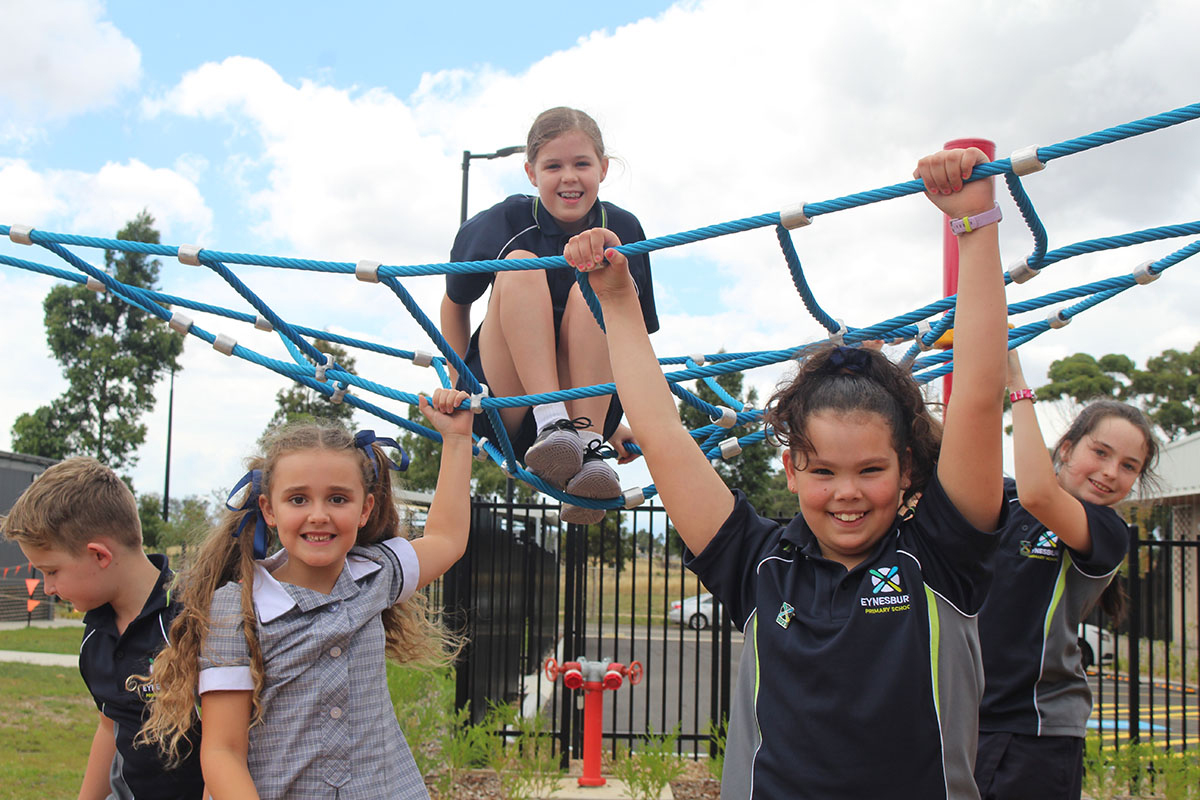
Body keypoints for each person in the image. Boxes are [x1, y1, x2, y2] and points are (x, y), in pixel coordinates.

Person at [566, 148, 1009, 799]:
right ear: (791, 469)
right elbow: (659, 433)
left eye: (871, 469)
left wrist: (975, 227)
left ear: (908, 467)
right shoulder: (761, 564)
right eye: (823, 470)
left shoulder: (942, 554)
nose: (847, 491)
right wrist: (616, 297)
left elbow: (976, 394)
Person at [138, 389, 473, 800]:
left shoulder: (375, 574)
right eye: (298, 499)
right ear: (269, 510)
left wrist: (457, 441)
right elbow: (223, 751)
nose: (319, 514)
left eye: (338, 498)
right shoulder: (239, 608)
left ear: (365, 509)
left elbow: (447, 538)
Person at [440, 106, 658, 524]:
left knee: (596, 287)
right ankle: (552, 426)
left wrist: (616, 425)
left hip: (589, 412)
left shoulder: (625, 228)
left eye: (582, 163)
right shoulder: (504, 222)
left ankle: (589, 454)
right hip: (512, 403)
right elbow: (455, 302)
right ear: (531, 173)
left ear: (604, 168)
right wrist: (458, 381)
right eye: (553, 165)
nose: (569, 177)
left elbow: (632, 336)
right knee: (521, 264)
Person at [973, 351, 1159, 800]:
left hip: (1035, 729)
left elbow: (1041, 493)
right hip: (967, 718)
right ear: (1067, 448)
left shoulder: (1107, 530)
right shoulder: (1005, 501)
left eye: (1129, 466)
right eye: (1101, 452)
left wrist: (1014, 379)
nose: (1111, 473)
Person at [1, 457, 205, 800]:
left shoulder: (195, 621)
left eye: (51, 571)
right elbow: (109, 726)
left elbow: (228, 744)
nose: (47, 588)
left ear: (99, 555)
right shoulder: (95, 636)